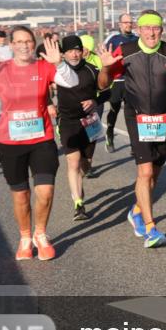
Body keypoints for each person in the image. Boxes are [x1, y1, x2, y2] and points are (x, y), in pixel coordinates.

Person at [0, 26, 78, 261]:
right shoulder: (0, 69)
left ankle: (41, 234)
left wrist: (59, 64)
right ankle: (25, 237)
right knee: (21, 196)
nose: (24, 45)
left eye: (28, 41)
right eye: (18, 41)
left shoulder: (44, 67)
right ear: (11, 45)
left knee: (45, 192)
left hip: (41, 140)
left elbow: (71, 82)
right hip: (11, 143)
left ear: (33, 43)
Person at [97, 10, 166, 248]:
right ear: (140, 30)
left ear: (161, 30)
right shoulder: (125, 51)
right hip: (137, 116)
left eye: (156, 28)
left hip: (165, 118)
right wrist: (105, 68)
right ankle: (150, 228)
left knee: (154, 174)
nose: (152, 32)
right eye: (147, 28)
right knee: (144, 173)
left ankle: (136, 211)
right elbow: (103, 85)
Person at [57, 35, 103, 220]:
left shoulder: (92, 70)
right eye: (70, 51)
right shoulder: (58, 71)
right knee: (73, 162)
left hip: (89, 122)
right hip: (67, 121)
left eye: (77, 50)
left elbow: (106, 92)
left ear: (83, 51)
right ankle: (78, 204)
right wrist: (49, 105)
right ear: (64, 53)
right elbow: (44, 90)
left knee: (86, 164)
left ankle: (79, 183)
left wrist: (94, 100)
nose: (74, 54)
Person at [102, 14, 139, 152]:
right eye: (125, 22)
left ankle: (134, 144)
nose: (128, 24)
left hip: (132, 81)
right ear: (120, 24)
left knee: (132, 112)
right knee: (114, 109)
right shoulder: (113, 39)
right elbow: (104, 57)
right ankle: (110, 133)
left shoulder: (137, 39)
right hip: (116, 81)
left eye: (130, 22)